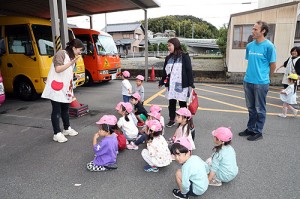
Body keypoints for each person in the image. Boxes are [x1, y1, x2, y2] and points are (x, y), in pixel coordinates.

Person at [239, 20, 276, 141]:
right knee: (251, 108)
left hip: (261, 82)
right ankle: (250, 128)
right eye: (253, 29)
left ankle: (258, 131)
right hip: (248, 80)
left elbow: (273, 65)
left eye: (255, 29)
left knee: (260, 108)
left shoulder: (269, 46)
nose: (253, 31)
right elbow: (250, 62)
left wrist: (267, 78)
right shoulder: (250, 46)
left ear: (263, 31)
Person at [41, 39, 84, 143]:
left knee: (65, 109)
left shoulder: (72, 57)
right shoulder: (61, 53)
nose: (80, 52)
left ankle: (66, 128)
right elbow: (58, 69)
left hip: (65, 88)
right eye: (80, 50)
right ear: (74, 47)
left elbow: (67, 71)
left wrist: (75, 75)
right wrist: (71, 63)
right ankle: (57, 133)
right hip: (56, 87)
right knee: (57, 110)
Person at [158, 37, 195, 128]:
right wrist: (162, 81)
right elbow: (165, 71)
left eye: (170, 45)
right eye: (168, 46)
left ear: (175, 45)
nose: (168, 47)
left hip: (182, 85)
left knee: (182, 103)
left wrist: (191, 84)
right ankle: (172, 119)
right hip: (171, 85)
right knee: (172, 103)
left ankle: (184, 120)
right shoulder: (168, 58)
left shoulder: (185, 56)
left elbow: (189, 70)